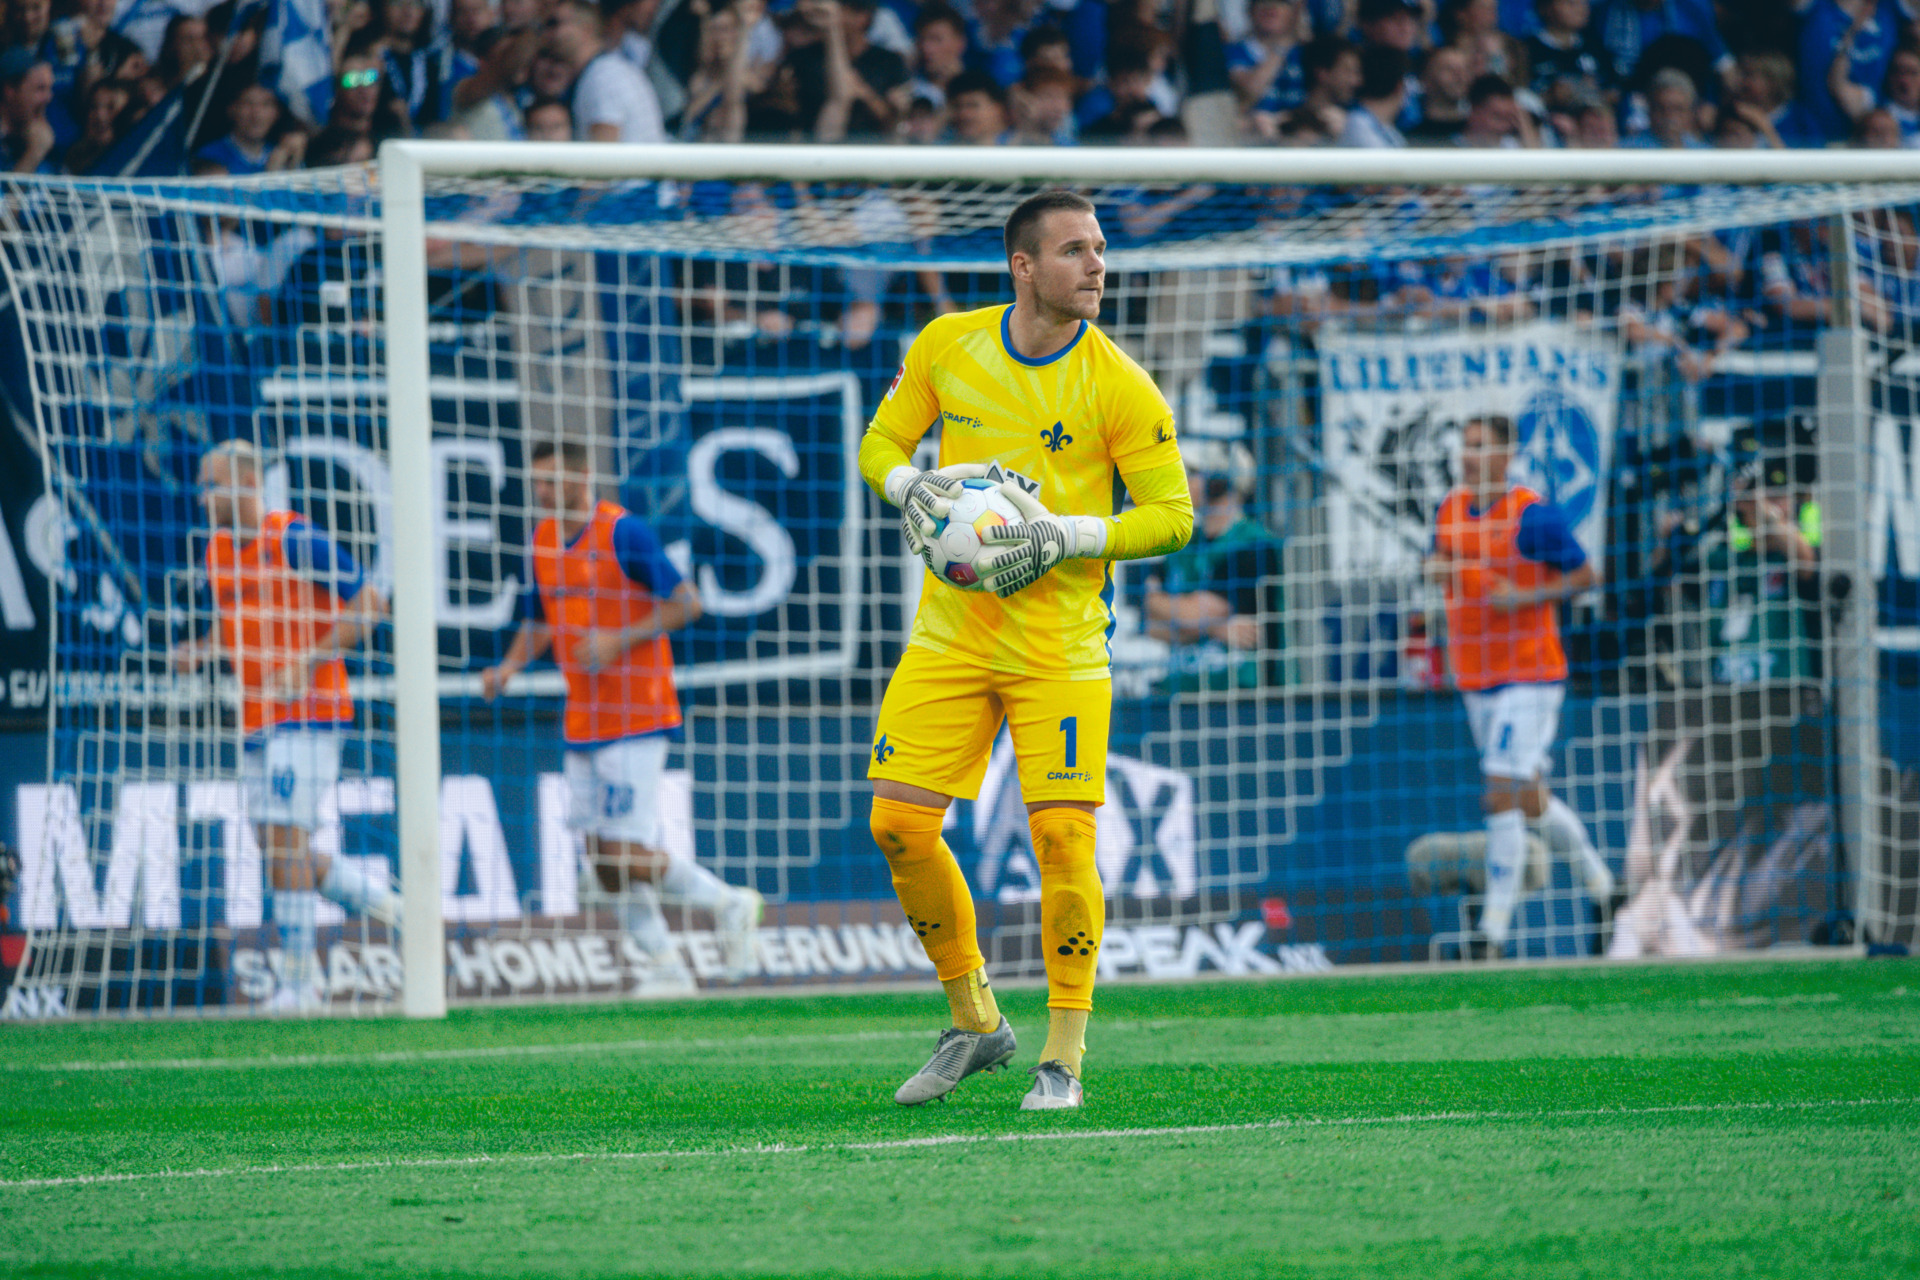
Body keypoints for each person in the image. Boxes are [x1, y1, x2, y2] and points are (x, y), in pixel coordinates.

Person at [860, 190, 1192, 1110]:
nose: (1097, 265)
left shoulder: (1119, 384)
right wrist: (908, 486)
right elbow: (881, 442)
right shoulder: (947, 344)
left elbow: (1173, 517)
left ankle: (1064, 1057)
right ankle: (975, 1021)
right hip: (951, 634)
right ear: (1024, 266)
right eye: (1075, 250)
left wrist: (1070, 536)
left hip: (1060, 645)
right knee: (897, 825)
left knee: (1061, 835)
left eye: (1100, 248)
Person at [481, 439, 762, 990]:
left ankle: (728, 902)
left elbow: (686, 602)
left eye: (553, 480)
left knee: (624, 851)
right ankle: (665, 967)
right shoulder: (542, 541)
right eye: (538, 482)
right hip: (584, 717)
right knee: (599, 857)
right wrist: (509, 667)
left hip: (638, 711)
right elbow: (540, 619)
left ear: (582, 476)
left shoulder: (622, 532)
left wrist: (617, 639)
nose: (544, 491)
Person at [170, 441, 396, 1013]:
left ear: (248, 483)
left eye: (213, 485)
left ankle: (302, 985)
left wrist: (307, 662)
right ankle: (396, 910)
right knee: (276, 847)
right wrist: (203, 648)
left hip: (311, 711)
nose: (203, 498)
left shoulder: (293, 538)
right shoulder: (217, 553)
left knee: (286, 842)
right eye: (201, 486)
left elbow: (371, 603)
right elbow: (238, 624)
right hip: (256, 717)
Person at [1425, 414, 1612, 957]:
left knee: (1499, 790)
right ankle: (1605, 889)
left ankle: (1492, 933)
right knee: (1528, 798)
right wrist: (1435, 568)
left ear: (1506, 456)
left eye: (1480, 446)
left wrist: (1523, 597)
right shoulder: (1449, 509)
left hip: (1530, 673)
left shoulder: (1531, 516)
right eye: (1465, 445)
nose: (1467, 456)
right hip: (1476, 673)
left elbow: (1587, 576)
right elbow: (1441, 560)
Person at [1145, 437, 1282, 691]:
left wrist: (1168, 609)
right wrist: (1218, 628)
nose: (1182, 480)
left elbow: (1190, 615)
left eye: (1193, 472)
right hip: (1180, 690)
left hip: (1240, 691)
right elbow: (1151, 625)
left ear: (1219, 482)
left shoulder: (1253, 545)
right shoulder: (1182, 544)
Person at [548, 0, 667, 141]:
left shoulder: (604, 76)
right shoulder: (606, 69)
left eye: (556, 23)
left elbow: (604, 149)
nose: (549, 33)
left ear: (586, 28)